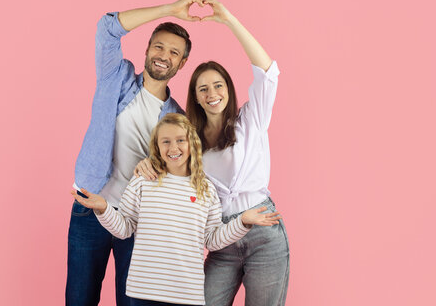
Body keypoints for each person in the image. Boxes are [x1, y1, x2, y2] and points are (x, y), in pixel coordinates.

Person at [135, 0, 290, 306]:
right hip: (222, 239)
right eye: (203, 89)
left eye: (218, 85)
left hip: (264, 233)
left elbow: (268, 71)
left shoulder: (251, 120)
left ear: (228, 89)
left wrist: (229, 20)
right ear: (195, 97)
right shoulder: (189, 140)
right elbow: (165, 163)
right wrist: (145, 165)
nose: (212, 94)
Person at [66, 0, 206, 306]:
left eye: (173, 52)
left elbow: (183, 177)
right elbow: (107, 27)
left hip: (139, 223)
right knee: (79, 299)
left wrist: (158, 168)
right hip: (90, 207)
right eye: (158, 46)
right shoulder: (116, 76)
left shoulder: (179, 120)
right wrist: (170, 9)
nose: (163, 55)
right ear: (147, 49)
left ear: (182, 63)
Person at [72, 114, 282, 306]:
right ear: (157, 146)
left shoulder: (206, 189)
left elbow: (212, 239)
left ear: (191, 143)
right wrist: (104, 209)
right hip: (142, 292)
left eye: (180, 140)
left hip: (186, 295)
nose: (174, 148)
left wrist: (243, 221)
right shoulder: (143, 181)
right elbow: (124, 228)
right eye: (166, 142)